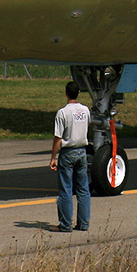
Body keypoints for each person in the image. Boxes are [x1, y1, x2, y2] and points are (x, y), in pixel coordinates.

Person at [49, 81, 91, 232]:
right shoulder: (85, 110)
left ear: (66, 93)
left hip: (68, 152)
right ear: (79, 93)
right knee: (83, 189)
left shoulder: (63, 113)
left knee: (66, 189)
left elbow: (58, 137)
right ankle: (83, 223)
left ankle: (66, 224)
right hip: (82, 151)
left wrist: (53, 157)